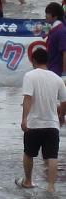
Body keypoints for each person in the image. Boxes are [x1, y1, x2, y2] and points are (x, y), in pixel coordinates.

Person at [17, 48, 66, 193]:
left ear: (33, 61)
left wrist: (24, 118)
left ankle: (28, 181)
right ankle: (50, 187)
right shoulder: (57, 78)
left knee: (28, 154)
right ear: (47, 61)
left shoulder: (30, 76)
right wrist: (61, 116)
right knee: (52, 156)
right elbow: (64, 101)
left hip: (34, 124)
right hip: (52, 124)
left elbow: (28, 98)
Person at [44, 2, 66, 77]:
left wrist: (64, 73)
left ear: (55, 16)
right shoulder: (55, 29)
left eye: (47, 14)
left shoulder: (61, 31)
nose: (45, 16)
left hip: (57, 72)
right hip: (52, 70)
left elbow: (65, 52)